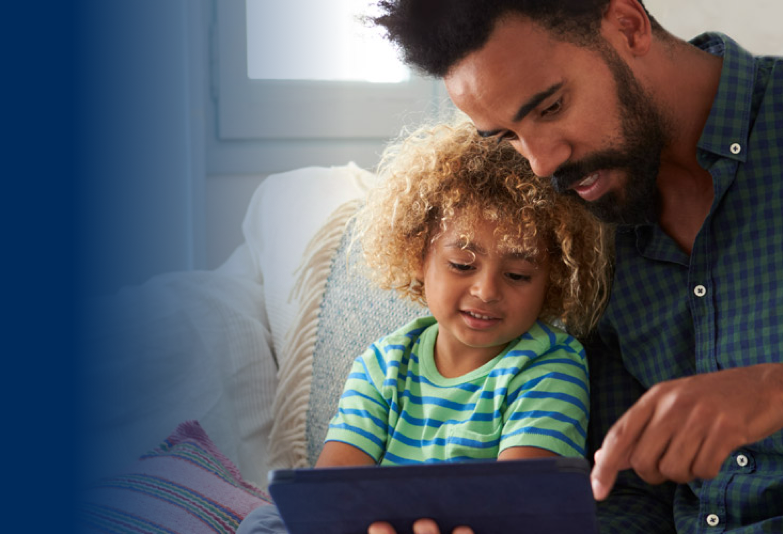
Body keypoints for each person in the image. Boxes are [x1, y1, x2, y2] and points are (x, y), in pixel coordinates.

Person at [367, 0, 783, 532]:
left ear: (628, 25)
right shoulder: (584, 227)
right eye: (505, 136)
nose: (540, 163)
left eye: (551, 108)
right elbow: (635, 494)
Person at [237, 118, 613, 533]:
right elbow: (331, 494)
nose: (486, 291)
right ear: (419, 257)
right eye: (462, 265)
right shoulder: (382, 363)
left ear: (553, 279)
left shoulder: (550, 364)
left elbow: (518, 507)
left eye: (518, 275)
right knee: (264, 522)